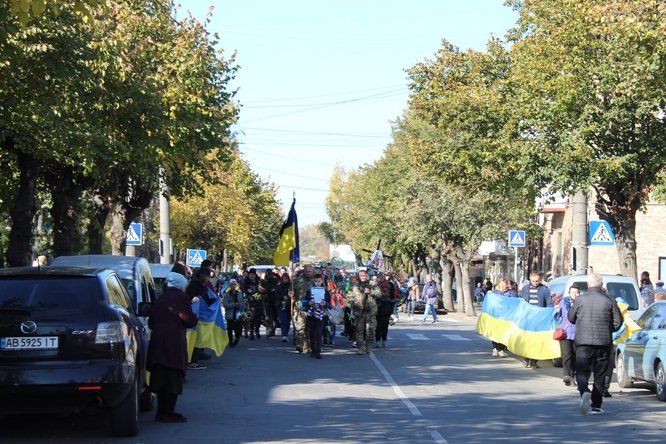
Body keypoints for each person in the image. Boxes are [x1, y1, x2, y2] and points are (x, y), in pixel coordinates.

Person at [146, 272, 198, 423]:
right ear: (182, 285)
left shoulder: (161, 297)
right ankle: (166, 413)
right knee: (172, 378)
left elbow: (151, 321)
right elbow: (187, 319)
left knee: (161, 377)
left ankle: (162, 412)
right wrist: (194, 318)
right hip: (173, 344)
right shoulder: (181, 298)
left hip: (158, 343)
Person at [568, 273, 622, 415]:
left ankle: (584, 390)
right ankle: (596, 405)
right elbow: (618, 321)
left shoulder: (580, 300)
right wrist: (609, 329)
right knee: (600, 373)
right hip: (603, 342)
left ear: (588, 284)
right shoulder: (609, 300)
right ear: (601, 285)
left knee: (581, 371)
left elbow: (571, 318)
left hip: (583, 342)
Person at [519, 272, 552, 368]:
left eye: (537, 281)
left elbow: (549, 303)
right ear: (530, 280)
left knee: (537, 340)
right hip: (528, 318)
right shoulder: (525, 289)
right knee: (527, 339)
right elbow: (521, 302)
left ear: (540, 279)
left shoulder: (545, 289)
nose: (535, 283)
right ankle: (526, 358)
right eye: (533, 281)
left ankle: (534, 361)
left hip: (539, 318)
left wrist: (549, 314)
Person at [186, 266, 216, 370]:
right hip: (196, 316)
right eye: (207, 276)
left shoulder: (200, 285)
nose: (208, 278)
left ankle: (193, 360)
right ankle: (192, 361)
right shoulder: (195, 285)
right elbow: (189, 298)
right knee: (195, 339)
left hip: (200, 316)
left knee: (198, 339)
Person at [350, 269, 381, 354]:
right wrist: (356, 304)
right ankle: (360, 347)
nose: (363, 277)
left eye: (364, 275)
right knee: (359, 331)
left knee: (371, 330)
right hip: (359, 312)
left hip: (371, 311)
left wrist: (371, 292)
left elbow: (379, 294)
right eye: (361, 275)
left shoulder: (372, 284)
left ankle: (368, 346)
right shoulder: (355, 286)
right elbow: (350, 297)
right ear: (358, 277)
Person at [555, 284, 579, 386]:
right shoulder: (563, 302)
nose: (575, 294)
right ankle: (566, 375)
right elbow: (557, 315)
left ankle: (572, 376)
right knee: (566, 355)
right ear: (569, 293)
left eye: (577, 292)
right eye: (573, 292)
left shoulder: (581, 302)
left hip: (578, 333)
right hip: (565, 332)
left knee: (575, 356)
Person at [487, 278, 517, 357]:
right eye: (501, 284)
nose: (503, 286)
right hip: (496, 316)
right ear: (499, 285)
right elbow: (490, 303)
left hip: (507, 317)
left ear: (508, 285)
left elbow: (516, 303)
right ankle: (495, 348)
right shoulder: (494, 293)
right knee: (495, 333)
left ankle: (501, 349)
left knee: (504, 333)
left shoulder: (512, 293)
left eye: (504, 284)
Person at [304, 274, 330, 359]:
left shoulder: (325, 291)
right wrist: (309, 303)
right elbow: (305, 302)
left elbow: (330, 304)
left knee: (319, 333)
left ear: (322, 281)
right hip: (311, 313)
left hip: (321, 314)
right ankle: (313, 350)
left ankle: (318, 351)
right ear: (313, 282)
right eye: (316, 281)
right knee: (312, 333)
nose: (317, 283)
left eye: (319, 281)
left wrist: (325, 303)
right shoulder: (310, 291)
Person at [292, 264, 315, 353]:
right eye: (306, 271)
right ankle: (299, 344)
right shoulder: (298, 281)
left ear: (313, 272)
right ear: (303, 271)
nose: (308, 273)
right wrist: (291, 293)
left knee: (309, 328)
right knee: (300, 327)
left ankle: (306, 346)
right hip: (300, 306)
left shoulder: (316, 281)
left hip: (312, 307)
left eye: (310, 271)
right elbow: (291, 291)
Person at [375, 272, 397, 347]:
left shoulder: (391, 284)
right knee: (378, 326)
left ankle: (384, 341)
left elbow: (394, 297)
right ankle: (378, 341)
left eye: (388, 276)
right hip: (379, 308)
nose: (386, 277)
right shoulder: (377, 285)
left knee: (385, 325)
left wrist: (392, 310)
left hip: (387, 307)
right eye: (385, 276)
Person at [222, 279, 246, 347]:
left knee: (237, 328)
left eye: (234, 284)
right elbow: (225, 304)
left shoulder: (239, 293)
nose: (233, 286)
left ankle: (237, 338)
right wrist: (233, 305)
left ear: (236, 285)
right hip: (230, 314)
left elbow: (243, 302)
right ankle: (230, 340)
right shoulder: (227, 294)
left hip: (238, 313)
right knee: (230, 328)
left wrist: (241, 306)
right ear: (229, 285)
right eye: (231, 284)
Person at [275, 273, 292, 343]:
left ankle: (286, 333)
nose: (285, 280)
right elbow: (276, 295)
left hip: (289, 306)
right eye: (284, 279)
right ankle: (283, 335)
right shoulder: (279, 286)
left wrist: (289, 297)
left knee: (288, 321)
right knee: (283, 321)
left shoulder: (291, 286)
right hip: (281, 306)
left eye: (286, 279)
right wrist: (282, 297)